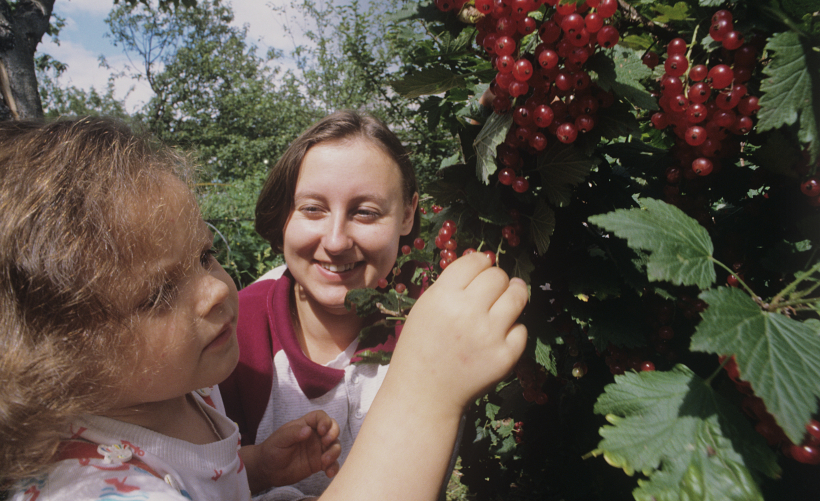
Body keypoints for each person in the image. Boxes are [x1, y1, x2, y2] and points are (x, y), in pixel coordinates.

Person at [0, 117, 529, 501]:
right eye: (158, 293)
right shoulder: (98, 491)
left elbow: (205, 479)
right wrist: (425, 392)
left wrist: (255, 468)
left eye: (205, 255)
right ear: (58, 352)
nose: (213, 290)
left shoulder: (184, 385)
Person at [221, 111, 440, 500]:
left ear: (407, 214)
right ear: (284, 214)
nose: (336, 241)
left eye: (366, 212)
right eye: (312, 208)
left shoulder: (432, 319)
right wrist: (255, 468)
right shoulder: (233, 332)